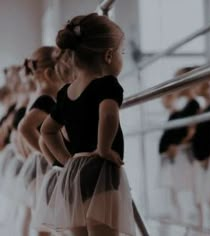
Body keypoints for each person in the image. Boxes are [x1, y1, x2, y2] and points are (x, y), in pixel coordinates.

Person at [34, 13, 135, 236]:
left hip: (75, 175)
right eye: (122, 52)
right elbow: (108, 114)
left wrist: (68, 160)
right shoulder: (107, 84)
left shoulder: (64, 92)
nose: (122, 57)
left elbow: (47, 130)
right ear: (109, 55)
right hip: (101, 171)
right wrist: (104, 148)